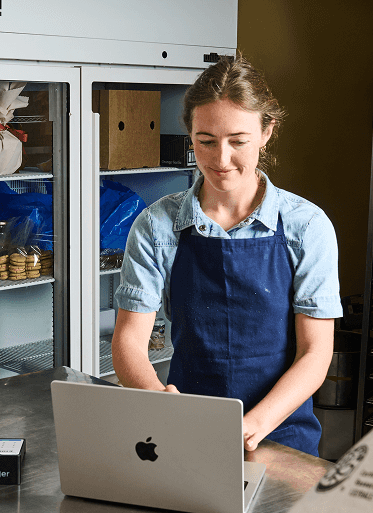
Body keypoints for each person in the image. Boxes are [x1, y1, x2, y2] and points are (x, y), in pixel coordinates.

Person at [111, 55, 342, 456]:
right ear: (190, 134)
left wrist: (254, 425)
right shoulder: (156, 226)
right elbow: (130, 340)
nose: (220, 160)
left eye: (238, 141)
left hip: (281, 433)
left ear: (267, 131)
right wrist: (160, 402)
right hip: (185, 427)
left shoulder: (307, 227)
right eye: (206, 141)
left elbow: (315, 352)